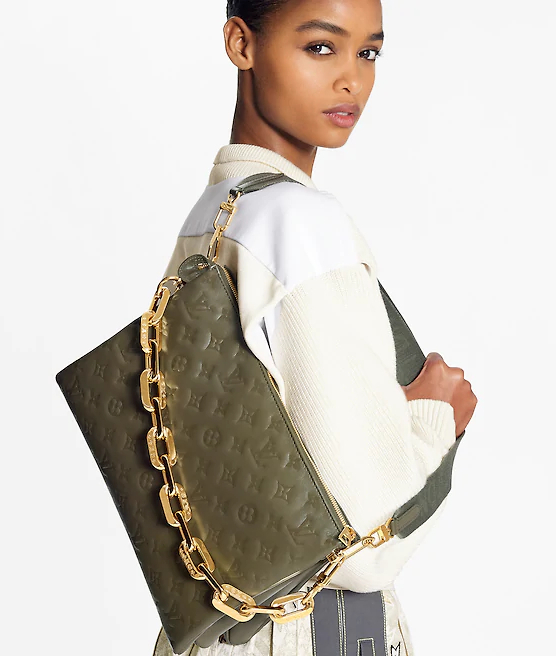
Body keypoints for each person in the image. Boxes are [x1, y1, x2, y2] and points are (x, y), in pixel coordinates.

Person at [155, 0, 477, 654]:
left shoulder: (213, 215)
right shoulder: (302, 224)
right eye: (321, 47)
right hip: (306, 633)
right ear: (241, 44)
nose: (351, 79)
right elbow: (364, 546)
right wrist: (436, 418)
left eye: (369, 52)